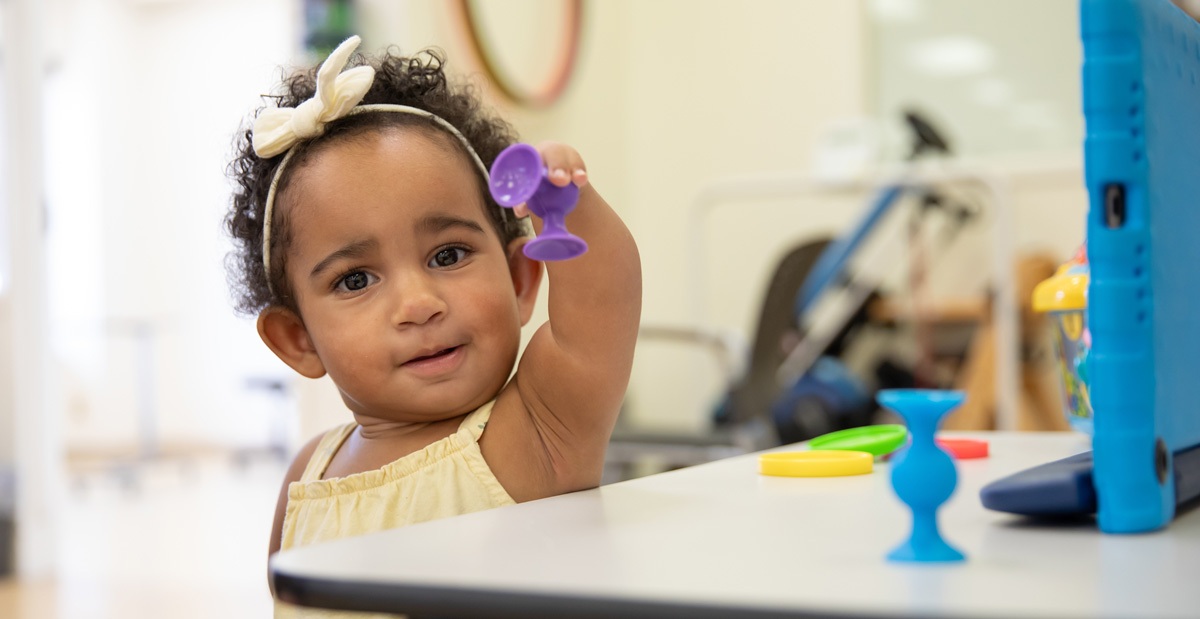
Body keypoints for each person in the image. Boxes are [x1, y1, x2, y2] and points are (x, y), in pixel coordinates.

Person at [224, 36, 641, 613]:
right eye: (355, 280)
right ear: (298, 340)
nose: (418, 304)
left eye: (447, 255)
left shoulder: (537, 432)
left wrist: (568, 202)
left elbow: (602, 312)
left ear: (521, 282)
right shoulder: (309, 474)